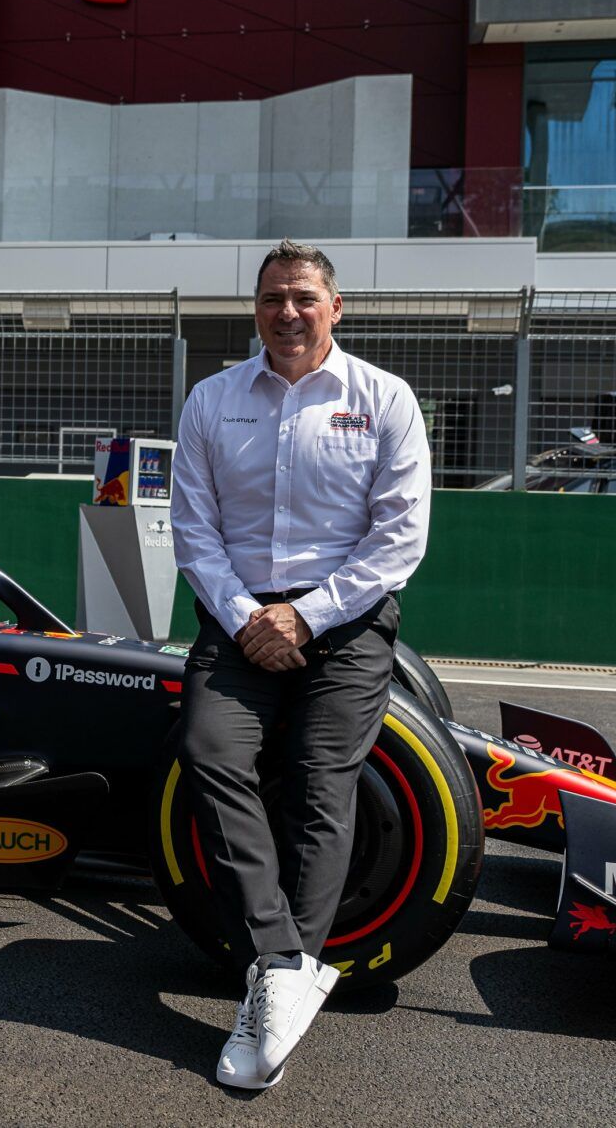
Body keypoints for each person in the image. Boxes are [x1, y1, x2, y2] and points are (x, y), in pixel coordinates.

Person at [168, 238, 431, 1091]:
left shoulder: (385, 398)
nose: (287, 312)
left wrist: (307, 615)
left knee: (322, 778)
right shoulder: (211, 399)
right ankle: (283, 965)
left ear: (335, 307)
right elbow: (194, 530)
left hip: (346, 619)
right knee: (209, 751)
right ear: (255, 309)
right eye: (272, 298)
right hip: (238, 618)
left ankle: (275, 991)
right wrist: (250, 616)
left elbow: (399, 538)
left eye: (304, 297)